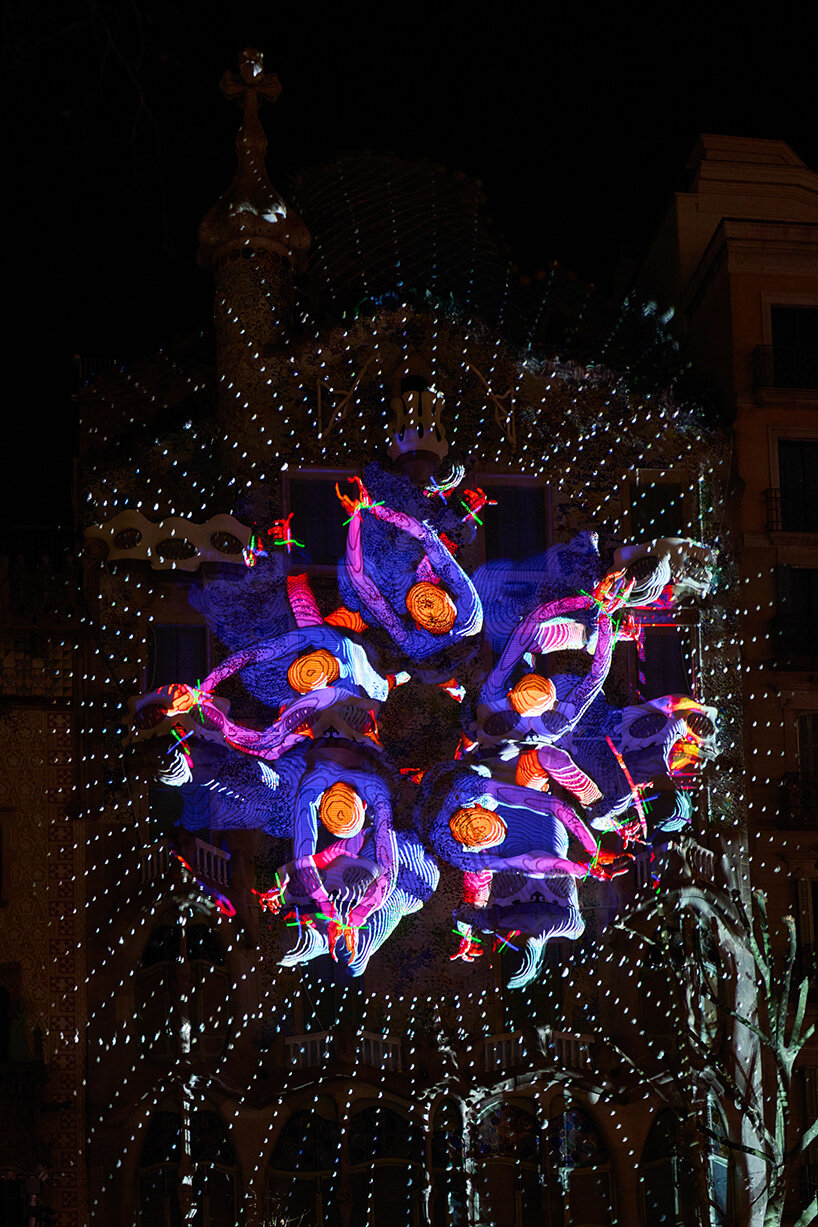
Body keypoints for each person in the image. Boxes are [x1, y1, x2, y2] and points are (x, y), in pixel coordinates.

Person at [336, 476, 483, 662]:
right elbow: (425, 536)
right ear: (447, 595)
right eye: (431, 593)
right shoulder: (469, 608)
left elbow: (359, 581)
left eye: (419, 599)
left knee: (361, 596)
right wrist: (372, 507)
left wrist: (354, 518)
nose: (424, 595)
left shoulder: (413, 642)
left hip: (389, 631)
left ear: (418, 624)